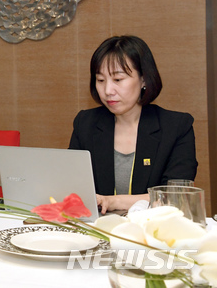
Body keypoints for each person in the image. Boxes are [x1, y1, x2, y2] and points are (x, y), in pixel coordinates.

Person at [69, 35, 197, 214]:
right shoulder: (86, 123)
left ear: (144, 79)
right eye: (100, 80)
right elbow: (73, 188)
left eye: (118, 80)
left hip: (153, 233)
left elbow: (176, 197)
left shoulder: (176, 127)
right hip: (98, 231)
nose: (107, 91)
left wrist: (112, 201)